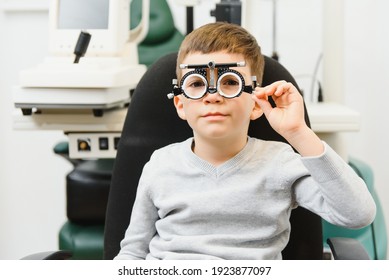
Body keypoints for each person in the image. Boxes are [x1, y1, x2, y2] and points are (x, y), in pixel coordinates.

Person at [114, 22, 376, 260]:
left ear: (256, 104)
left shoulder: (280, 163)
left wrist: (299, 132)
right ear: (181, 105)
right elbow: (132, 253)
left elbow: (357, 213)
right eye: (197, 83)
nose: (213, 96)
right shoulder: (160, 165)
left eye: (230, 81)